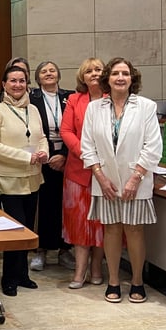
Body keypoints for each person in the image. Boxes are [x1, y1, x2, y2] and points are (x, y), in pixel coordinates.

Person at [81, 57, 162, 304]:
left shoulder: (146, 107)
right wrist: (101, 177)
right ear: (108, 78)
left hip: (135, 181)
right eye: (115, 73)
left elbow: (153, 146)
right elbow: (87, 146)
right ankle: (113, 281)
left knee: (135, 230)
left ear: (132, 78)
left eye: (125, 73)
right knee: (112, 229)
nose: (120, 78)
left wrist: (135, 178)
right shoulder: (95, 108)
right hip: (105, 182)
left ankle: (137, 281)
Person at [0, 65, 49, 297]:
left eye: (22, 81)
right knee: (15, 229)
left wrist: (44, 153)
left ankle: (22, 274)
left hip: (32, 178)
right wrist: (26, 157)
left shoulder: (33, 109)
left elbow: (41, 137)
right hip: (7, 179)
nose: (18, 85)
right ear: (4, 84)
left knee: (28, 229)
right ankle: (8, 277)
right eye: (13, 81)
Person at [60, 58, 106, 289]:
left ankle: (97, 268)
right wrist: (85, 154)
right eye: (89, 71)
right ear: (83, 77)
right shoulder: (74, 100)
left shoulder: (113, 99)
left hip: (106, 172)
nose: (94, 74)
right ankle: (79, 272)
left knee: (101, 223)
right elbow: (66, 131)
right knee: (80, 224)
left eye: (98, 69)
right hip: (78, 171)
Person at [28, 61, 76, 272]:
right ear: (38, 78)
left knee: (67, 205)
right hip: (43, 157)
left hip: (69, 156)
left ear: (58, 75)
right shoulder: (32, 98)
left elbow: (78, 127)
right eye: (43, 72)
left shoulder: (70, 97)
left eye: (52, 70)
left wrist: (65, 155)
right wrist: (46, 154)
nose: (48, 74)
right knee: (45, 206)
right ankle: (42, 250)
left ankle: (66, 249)